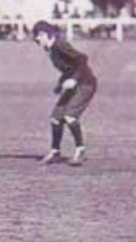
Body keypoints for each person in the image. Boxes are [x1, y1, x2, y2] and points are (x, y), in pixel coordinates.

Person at [32, 20, 97, 166]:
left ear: (44, 34)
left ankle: (80, 151)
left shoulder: (60, 45)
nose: (37, 41)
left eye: (38, 37)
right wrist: (60, 84)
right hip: (74, 84)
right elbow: (68, 68)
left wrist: (74, 79)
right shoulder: (52, 49)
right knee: (56, 118)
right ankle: (55, 151)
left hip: (85, 84)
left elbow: (82, 59)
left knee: (69, 116)